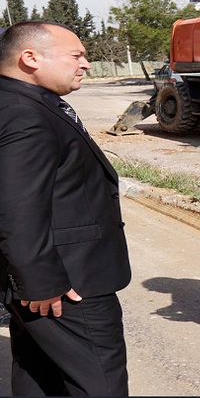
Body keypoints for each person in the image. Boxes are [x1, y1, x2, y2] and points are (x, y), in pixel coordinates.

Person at [0, 22, 132, 396]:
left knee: (39, 371)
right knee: (99, 383)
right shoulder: (26, 114)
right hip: (66, 285)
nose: (86, 64)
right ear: (30, 58)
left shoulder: (24, 100)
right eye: (77, 55)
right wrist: (41, 282)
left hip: (37, 279)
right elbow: (17, 207)